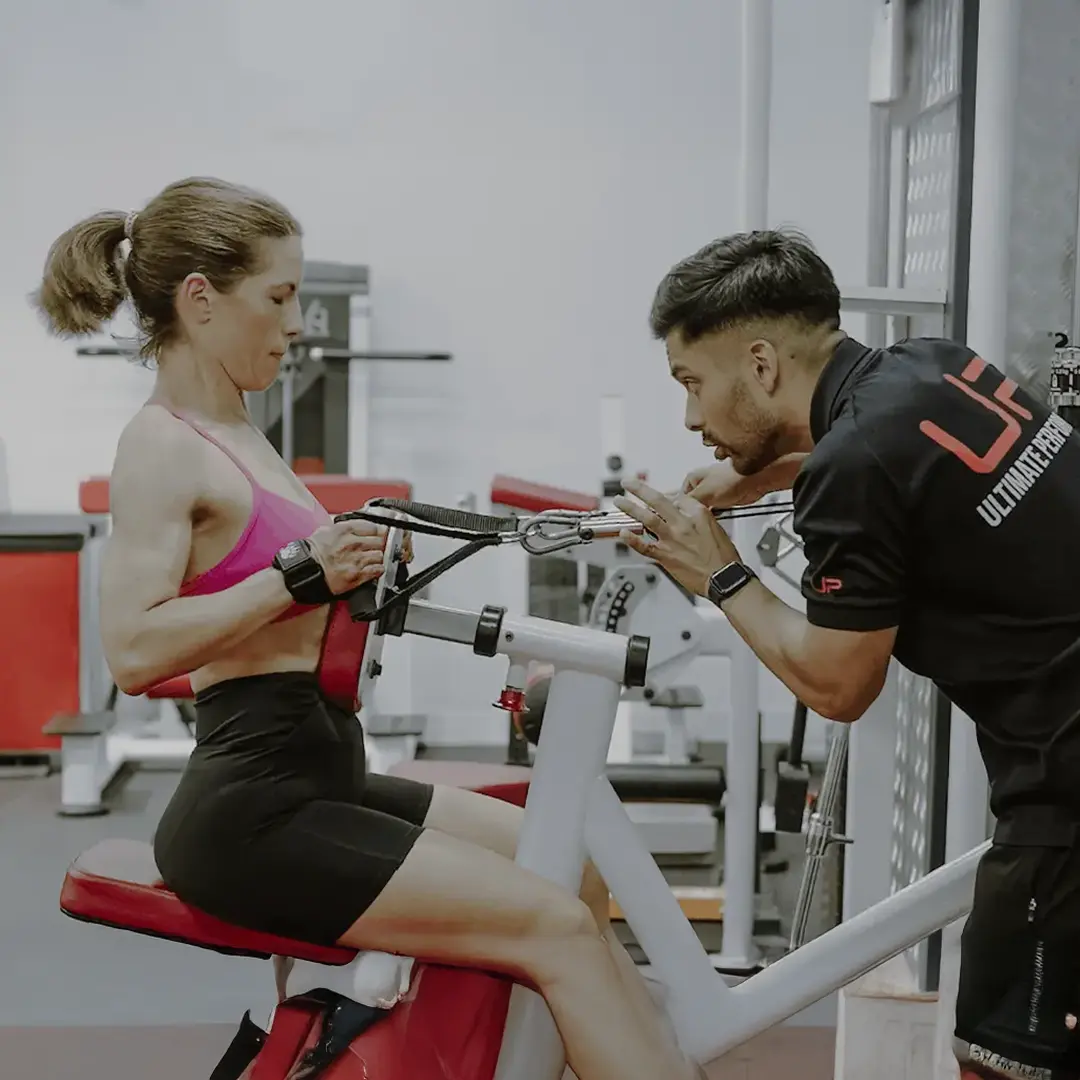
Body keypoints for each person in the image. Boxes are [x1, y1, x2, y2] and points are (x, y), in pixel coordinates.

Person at [33, 177, 704, 1080]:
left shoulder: (240, 430)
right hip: (253, 811)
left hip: (327, 770)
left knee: (572, 868)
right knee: (556, 928)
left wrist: (357, 568)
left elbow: (294, 598)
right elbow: (134, 648)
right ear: (200, 298)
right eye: (277, 297)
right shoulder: (162, 442)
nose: (297, 322)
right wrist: (300, 572)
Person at [614, 226, 1080, 1080]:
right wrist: (780, 470)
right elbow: (913, 468)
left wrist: (717, 570)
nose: (690, 418)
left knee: (1003, 1063)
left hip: (1067, 801)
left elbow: (837, 684)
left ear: (759, 365)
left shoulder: (854, 462)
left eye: (692, 384)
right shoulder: (932, 366)